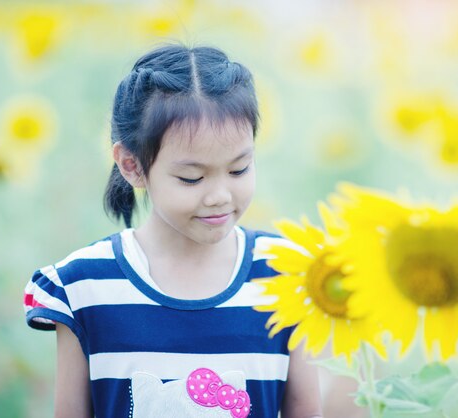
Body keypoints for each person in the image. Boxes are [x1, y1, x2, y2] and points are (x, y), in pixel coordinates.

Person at [23, 44, 322, 418]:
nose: (219, 196)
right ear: (132, 166)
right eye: (191, 177)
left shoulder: (287, 273)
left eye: (239, 169)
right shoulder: (83, 287)